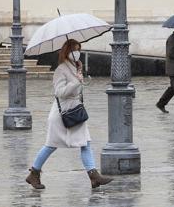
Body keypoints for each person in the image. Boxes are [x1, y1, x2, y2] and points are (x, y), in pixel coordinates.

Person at [25, 39, 113, 189]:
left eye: (79, 49)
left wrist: (80, 78)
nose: (77, 53)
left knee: (85, 142)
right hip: (62, 114)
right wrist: (76, 82)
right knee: (51, 145)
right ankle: (34, 174)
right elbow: (59, 92)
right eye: (74, 50)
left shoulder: (75, 67)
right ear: (67, 52)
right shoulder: (61, 69)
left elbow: (77, 89)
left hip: (74, 110)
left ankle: (94, 176)